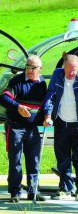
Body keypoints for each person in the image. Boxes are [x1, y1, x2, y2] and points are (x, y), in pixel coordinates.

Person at [43, 54, 78, 202]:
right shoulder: (57, 75)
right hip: (61, 122)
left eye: (74, 70)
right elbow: (51, 96)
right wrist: (48, 115)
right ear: (64, 67)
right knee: (62, 158)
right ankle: (65, 188)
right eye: (68, 70)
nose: (71, 73)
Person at [0, 55, 47, 203]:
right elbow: (4, 98)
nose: (29, 70)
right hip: (15, 127)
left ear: (40, 69)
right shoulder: (17, 81)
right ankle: (15, 192)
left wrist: (47, 117)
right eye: (27, 66)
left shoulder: (42, 84)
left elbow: (47, 103)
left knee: (34, 160)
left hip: (32, 128)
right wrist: (18, 107)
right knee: (16, 161)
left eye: (33, 68)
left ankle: (33, 191)